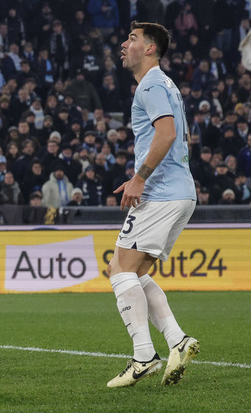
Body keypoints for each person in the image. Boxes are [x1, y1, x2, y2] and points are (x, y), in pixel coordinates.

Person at [107, 22, 199, 388]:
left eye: (132, 38)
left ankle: (144, 355)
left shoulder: (152, 84)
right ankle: (177, 340)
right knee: (135, 271)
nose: (125, 43)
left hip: (160, 192)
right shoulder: (163, 84)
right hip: (178, 192)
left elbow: (167, 133)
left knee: (119, 270)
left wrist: (140, 177)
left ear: (149, 49)